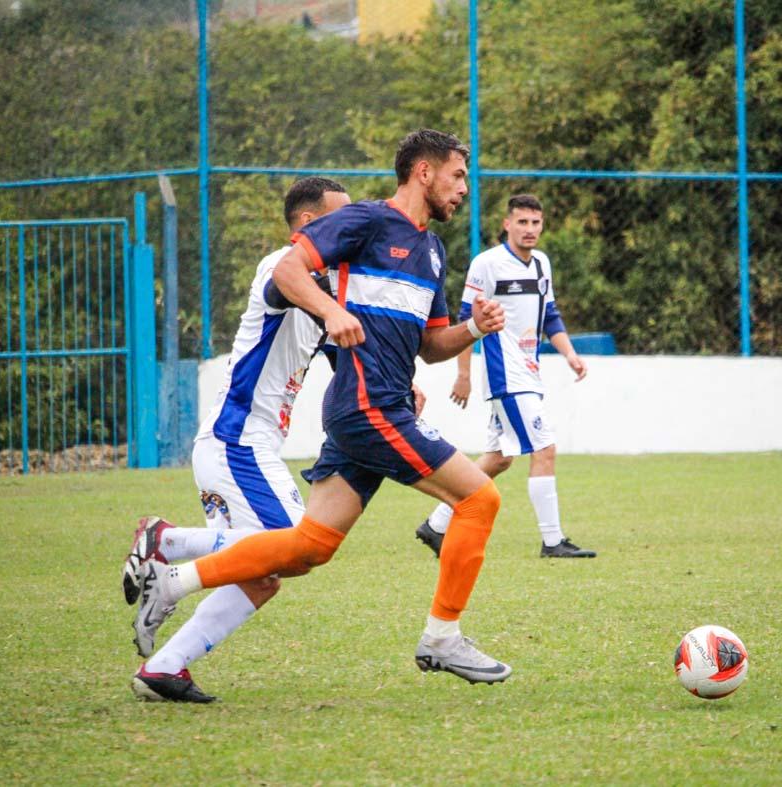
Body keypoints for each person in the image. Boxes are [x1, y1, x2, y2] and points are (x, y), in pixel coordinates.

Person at [129, 129, 513, 693]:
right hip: (366, 408)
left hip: (368, 408)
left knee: (310, 547)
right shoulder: (365, 222)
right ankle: (442, 638)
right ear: (424, 172)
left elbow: (430, 345)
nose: (465, 189)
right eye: (459, 175)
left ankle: (176, 578)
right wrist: (332, 312)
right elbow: (288, 271)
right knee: (480, 498)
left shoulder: (432, 251)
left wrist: (474, 329)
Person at [122, 176, 357, 702]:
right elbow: (290, 284)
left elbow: (344, 352)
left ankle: (163, 668)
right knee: (299, 545)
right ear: (307, 225)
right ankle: (169, 543)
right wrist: (335, 308)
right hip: (237, 445)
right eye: (340, 222)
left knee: (262, 575)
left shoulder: (322, 290)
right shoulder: (282, 266)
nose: (351, 231)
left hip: (240, 449)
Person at [415, 194, 596, 559]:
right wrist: (463, 374)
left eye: (536, 222)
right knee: (544, 448)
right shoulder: (488, 264)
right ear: (507, 224)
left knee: (499, 458)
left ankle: (435, 525)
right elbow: (467, 320)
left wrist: (570, 354)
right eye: (522, 222)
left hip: (529, 373)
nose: (530, 230)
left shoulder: (541, 263)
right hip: (506, 377)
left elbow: (551, 316)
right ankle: (552, 541)